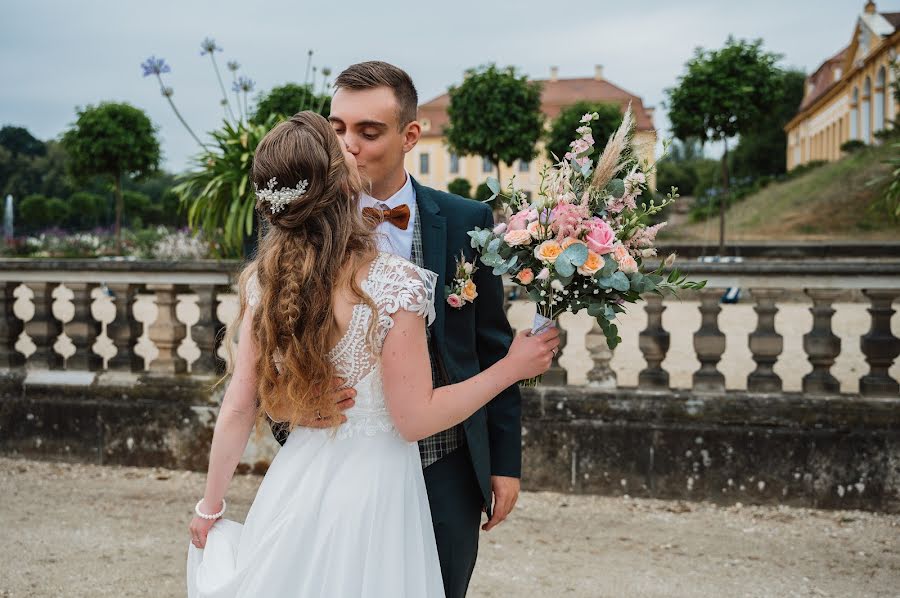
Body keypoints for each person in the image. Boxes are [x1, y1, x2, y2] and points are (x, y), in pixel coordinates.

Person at [186, 110, 559, 597]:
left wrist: (209, 506)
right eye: (344, 146)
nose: (355, 149)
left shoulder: (265, 282)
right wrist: (512, 369)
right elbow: (414, 419)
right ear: (346, 187)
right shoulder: (395, 287)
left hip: (296, 484)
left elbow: (239, 404)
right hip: (377, 494)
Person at [275, 61, 533, 598]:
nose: (348, 145)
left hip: (446, 469)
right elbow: (262, 349)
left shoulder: (466, 221)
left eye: (369, 132)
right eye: (337, 128)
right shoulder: (295, 223)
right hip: (338, 465)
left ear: (410, 135)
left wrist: (504, 462)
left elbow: (491, 344)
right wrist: (288, 406)